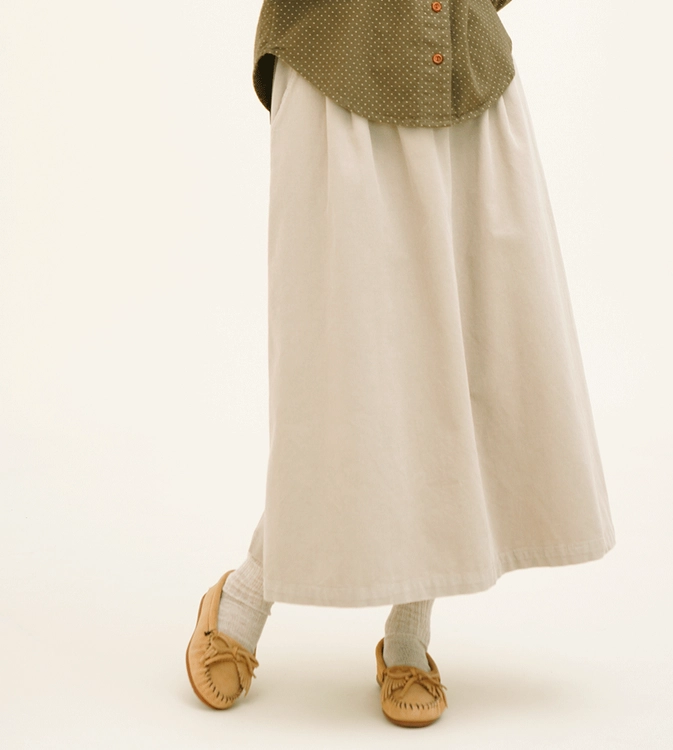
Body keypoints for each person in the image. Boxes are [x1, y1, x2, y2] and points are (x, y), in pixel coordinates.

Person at [186, 0, 616, 728]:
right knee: (342, 376)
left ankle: (410, 630)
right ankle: (247, 594)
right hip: (336, 59)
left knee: (460, 358)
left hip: (462, 66)